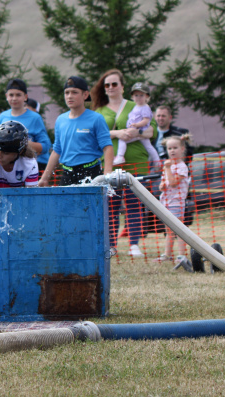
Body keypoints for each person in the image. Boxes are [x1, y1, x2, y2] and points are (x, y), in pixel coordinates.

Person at [91, 69, 156, 257]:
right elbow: (94, 136)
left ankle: (134, 244)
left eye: (114, 84)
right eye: (107, 85)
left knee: (135, 203)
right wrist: (117, 134)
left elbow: (151, 130)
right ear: (103, 89)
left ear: (122, 86)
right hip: (111, 163)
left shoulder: (136, 104)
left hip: (136, 160)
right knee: (111, 206)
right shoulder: (99, 111)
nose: (111, 88)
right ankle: (111, 244)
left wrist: (137, 133)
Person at [40, 76, 113, 187]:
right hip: (67, 174)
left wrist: (107, 174)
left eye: (74, 92)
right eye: (67, 92)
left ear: (85, 95)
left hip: (91, 173)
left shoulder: (96, 118)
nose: (70, 96)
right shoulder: (60, 120)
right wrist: (45, 178)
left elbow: (107, 146)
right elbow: (56, 150)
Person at [0, 79, 51, 172]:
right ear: (6, 96)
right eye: (11, 95)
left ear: (25, 97)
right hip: (7, 165)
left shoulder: (35, 117)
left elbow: (45, 146)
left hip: (30, 165)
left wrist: (21, 143)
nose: (14, 98)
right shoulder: (3, 116)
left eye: (18, 95)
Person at [154, 135, 192, 265]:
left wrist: (168, 168)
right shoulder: (168, 166)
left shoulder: (181, 166)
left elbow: (174, 183)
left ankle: (181, 255)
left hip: (176, 202)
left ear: (182, 149)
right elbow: (165, 183)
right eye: (169, 148)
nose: (172, 151)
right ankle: (167, 254)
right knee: (169, 230)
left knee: (179, 230)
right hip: (166, 201)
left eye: (175, 148)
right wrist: (162, 186)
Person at [113, 83, 158, 167]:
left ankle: (120, 156)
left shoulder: (145, 107)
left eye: (141, 95)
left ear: (147, 96)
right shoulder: (136, 106)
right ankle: (157, 162)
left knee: (122, 140)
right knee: (149, 147)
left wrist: (137, 125)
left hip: (140, 130)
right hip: (136, 130)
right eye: (136, 95)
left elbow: (146, 120)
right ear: (133, 97)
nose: (138, 97)